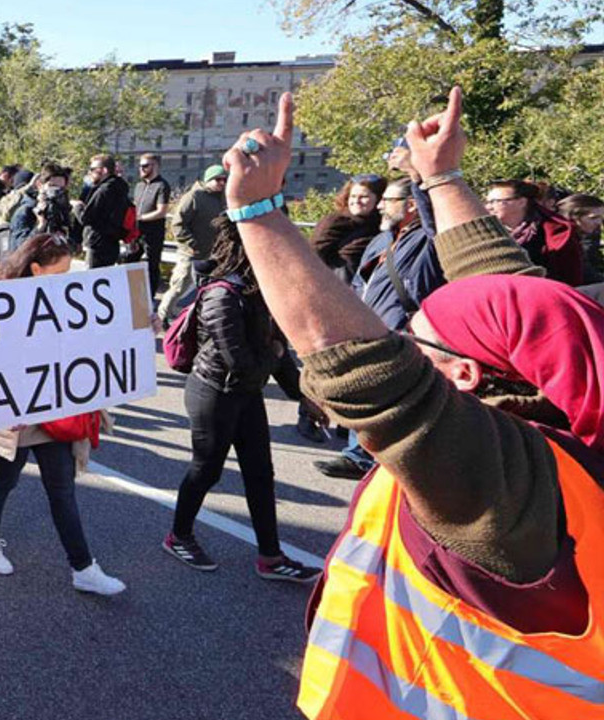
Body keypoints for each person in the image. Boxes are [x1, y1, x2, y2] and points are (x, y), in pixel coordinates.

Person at [221, 87, 604, 720]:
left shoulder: (509, 493)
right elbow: (516, 299)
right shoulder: (560, 410)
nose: (402, 338)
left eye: (415, 336)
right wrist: (444, 177)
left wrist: (258, 211)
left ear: (461, 376)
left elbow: (363, 370)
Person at [159, 215, 321, 582]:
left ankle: (271, 557)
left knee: (260, 473)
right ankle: (178, 536)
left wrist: (304, 397)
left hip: (245, 394)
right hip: (213, 393)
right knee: (206, 470)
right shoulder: (221, 294)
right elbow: (243, 361)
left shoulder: (260, 289)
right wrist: (276, 353)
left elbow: (276, 351)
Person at [0, 233, 126, 596]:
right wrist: (4, 404)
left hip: (53, 412)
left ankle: (83, 568)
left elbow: (94, 339)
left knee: (62, 489)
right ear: (36, 269)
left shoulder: (67, 301)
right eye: (61, 271)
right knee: (3, 479)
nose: (68, 278)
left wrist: (136, 326)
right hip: (14, 414)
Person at [315, 175, 444, 479]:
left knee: (395, 402)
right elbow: (361, 280)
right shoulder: (382, 238)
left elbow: (433, 221)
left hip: (404, 330)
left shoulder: (424, 238)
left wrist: (420, 175)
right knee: (366, 392)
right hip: (369, 328)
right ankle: (358, 456)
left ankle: (390, 463)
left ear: (412, 204)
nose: (381, 207)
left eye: (389, 201)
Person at [157, 166, 228, 321]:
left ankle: (196, 318)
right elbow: (178, 224)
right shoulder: (194, 196)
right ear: (208, 180)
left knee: (207, 288)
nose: (222, 183)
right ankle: (162, 317)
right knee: (180, 285)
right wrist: (191, 244)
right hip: (190, 252)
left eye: (224, 180)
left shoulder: (221, 197)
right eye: (218, 179)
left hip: (212, 252)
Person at [484, 179, 583, 285]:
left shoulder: (554, 233)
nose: (488, 207)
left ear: (522, 202)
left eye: (496, 201)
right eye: (488, 202)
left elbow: (569, 275)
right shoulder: (486, 232)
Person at [309, 175, 386, 283]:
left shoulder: (383, 226)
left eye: (364, 197)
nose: (356, 201)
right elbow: (314, 254)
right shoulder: (336, 221)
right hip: (335, 286)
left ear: (379, 199)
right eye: (353, 196)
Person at [71, 154, 130, 269]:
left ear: (104, 170)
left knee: (92, 277)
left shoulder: (104, 190)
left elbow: (86, 218)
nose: (90, 173)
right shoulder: (121, 188)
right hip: (113, 242)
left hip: (98, 243)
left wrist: (77, 206)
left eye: (93, 169)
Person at [132, 153, 173, 295]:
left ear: (155, 166)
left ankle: (150, 296)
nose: (141, 169)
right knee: (130, 261)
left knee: (152, 265)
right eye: (140, 166)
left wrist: (141, 217)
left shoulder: (161, 185)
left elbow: (161, 211)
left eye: (145, 166)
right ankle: (131, 292)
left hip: (153, 232)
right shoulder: (139, 185)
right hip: (137, 232)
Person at [557, 193, 604, 284]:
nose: (599, 223)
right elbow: (586, 274)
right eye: (593, 218)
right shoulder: (565, 240)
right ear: (573, 217)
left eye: (601, 218)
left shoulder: (578, 237)